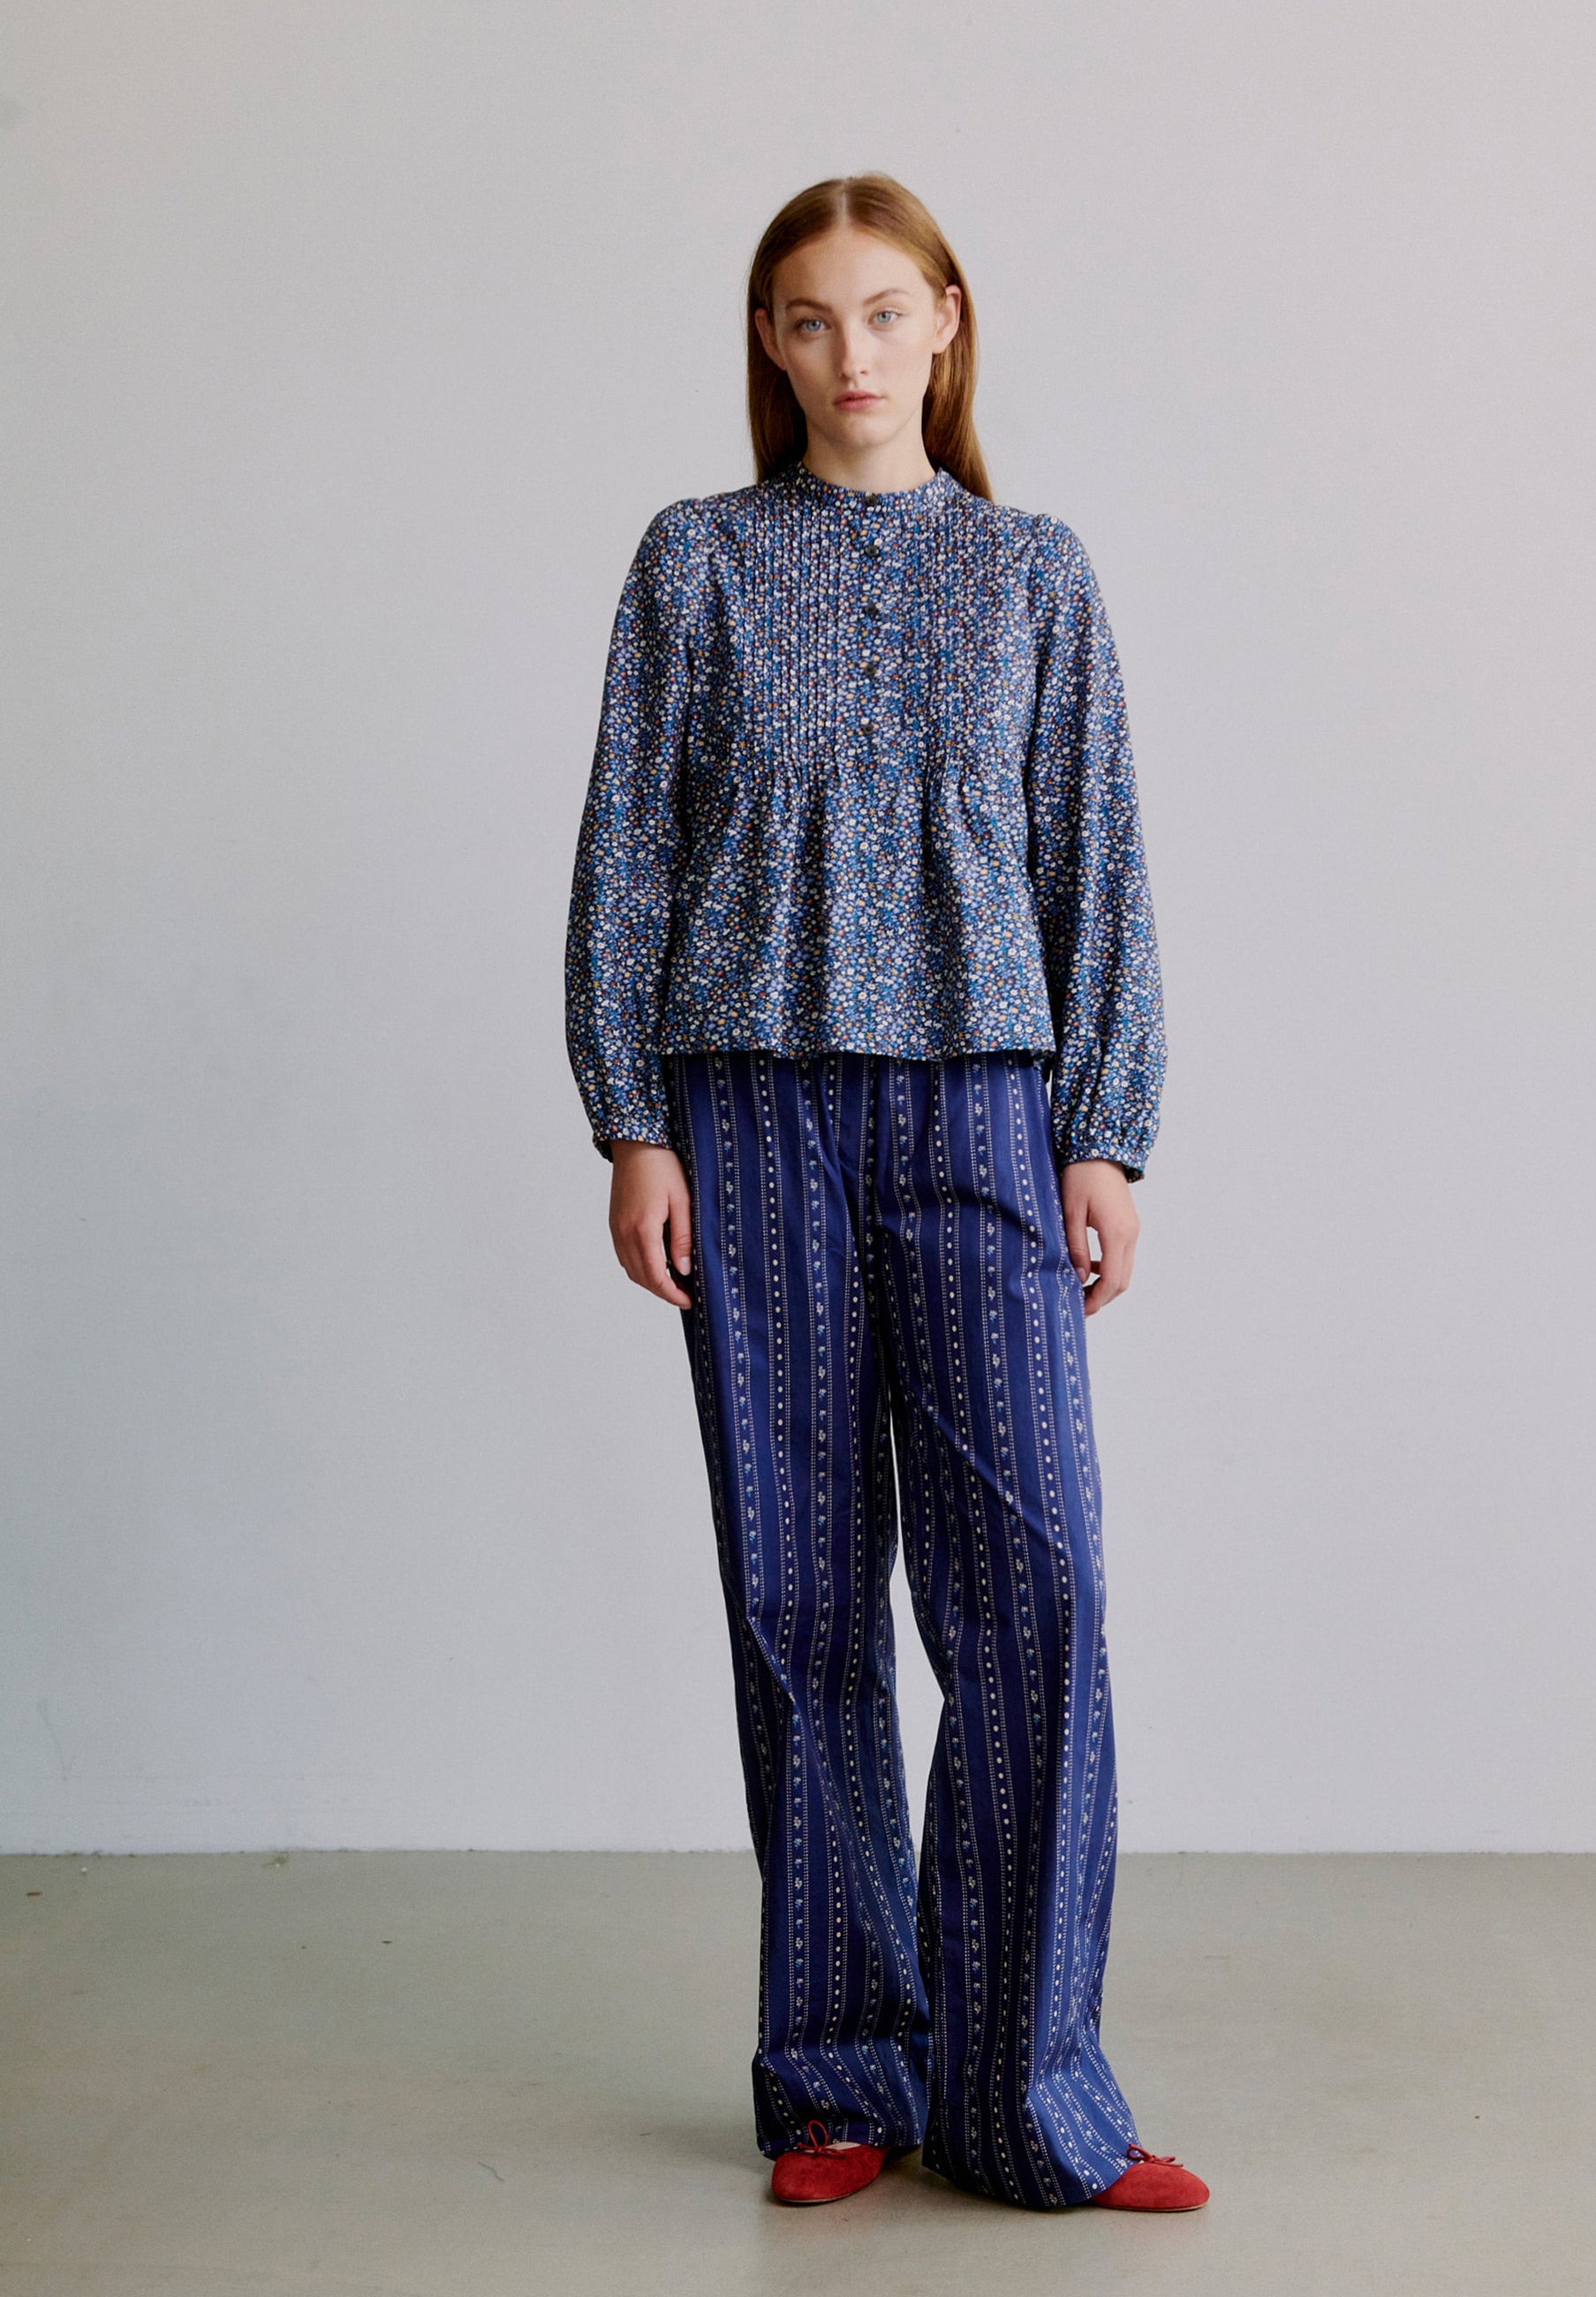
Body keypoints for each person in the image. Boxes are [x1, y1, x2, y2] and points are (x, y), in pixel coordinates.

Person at [564, 172, 1206, 2217]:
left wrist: (1100, 1131)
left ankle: (1030, 2099)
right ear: (771, 345)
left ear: (945, 321)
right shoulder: (695, 559)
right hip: (747, 1107)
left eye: (880, 310)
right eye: (805, 317)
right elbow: (630, 851)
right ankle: (842, 2070)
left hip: (982, 1113)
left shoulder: (1033, 571)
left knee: (1035, 1595)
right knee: (802, 1597)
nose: (847, 352)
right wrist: (631, 1120)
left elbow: (1094, 856)